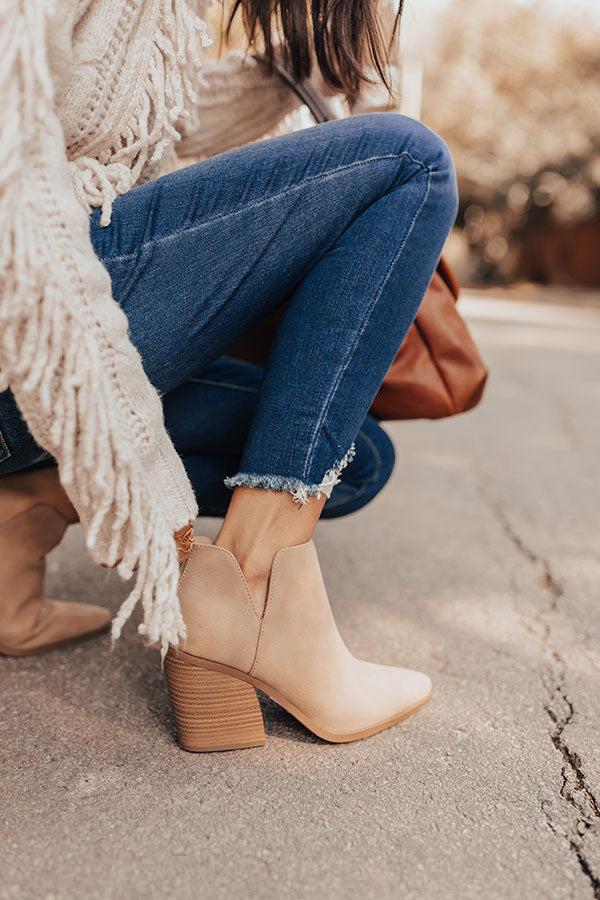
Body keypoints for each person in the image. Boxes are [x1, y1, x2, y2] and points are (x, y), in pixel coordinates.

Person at [0, 0, 458, 749]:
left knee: (357, 460)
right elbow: (15, 185)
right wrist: (135, 469)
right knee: (409, 164)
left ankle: (17, 506)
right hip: (26, 329)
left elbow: (124, 120)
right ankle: (252, 584)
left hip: (19, 379)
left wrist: (291, 75)